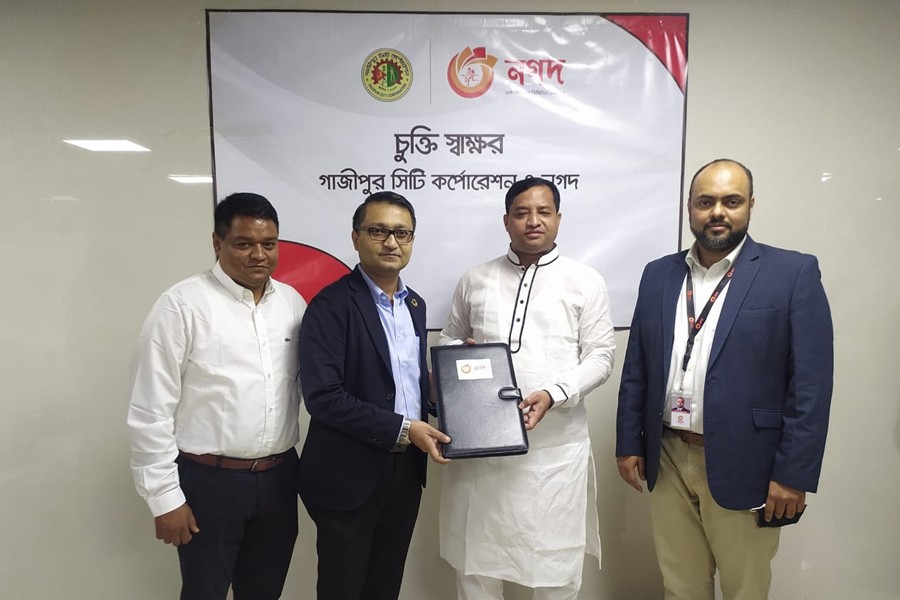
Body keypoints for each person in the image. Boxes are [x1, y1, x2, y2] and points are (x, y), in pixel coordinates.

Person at [616, 158, 834, 599]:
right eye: (706, 201)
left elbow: (811, 385)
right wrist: (628, 443)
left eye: (731, 201)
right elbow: (636, 364)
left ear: (750, 205)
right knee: (679, 586)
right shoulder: (658, 274)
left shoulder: (792, 273)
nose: (717, 211)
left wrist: (794, 473)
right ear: (690, 208)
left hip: (748, 463)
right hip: (669, 454)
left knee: (744, 590)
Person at [439, 177, 616, 599]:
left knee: (554, 567)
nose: (533, 221)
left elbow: (602, 357)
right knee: (476, 566)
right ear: (506, 221)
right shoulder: (475, 279)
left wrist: (554, 393)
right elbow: (447, 339)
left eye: (543, 212)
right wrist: (460, 353)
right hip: (483, 449)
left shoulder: (584, 281)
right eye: (521, 213)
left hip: (554, 454)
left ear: (558, 218)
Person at [127, 192, 307, 599]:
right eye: (244, 244)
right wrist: (163, 498)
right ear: (217, 243)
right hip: (209, 483)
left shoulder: (292, 304)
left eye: (269, 244)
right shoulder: (182, 306)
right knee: (204, 592)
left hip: (279, 478)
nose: (259, 255)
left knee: (264, 591)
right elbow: (149, 410)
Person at [296, 191, 451, 600]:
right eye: (378, 231)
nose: (391, 242)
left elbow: (403, 381)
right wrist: (406, 429)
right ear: (356, 237)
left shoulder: (413, 304)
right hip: (347, 474)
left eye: (402, 233)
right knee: (343, 587)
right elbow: (323, 397)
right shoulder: (330, 306)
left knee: (385, 584)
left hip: (404, 472)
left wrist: (452, 385)